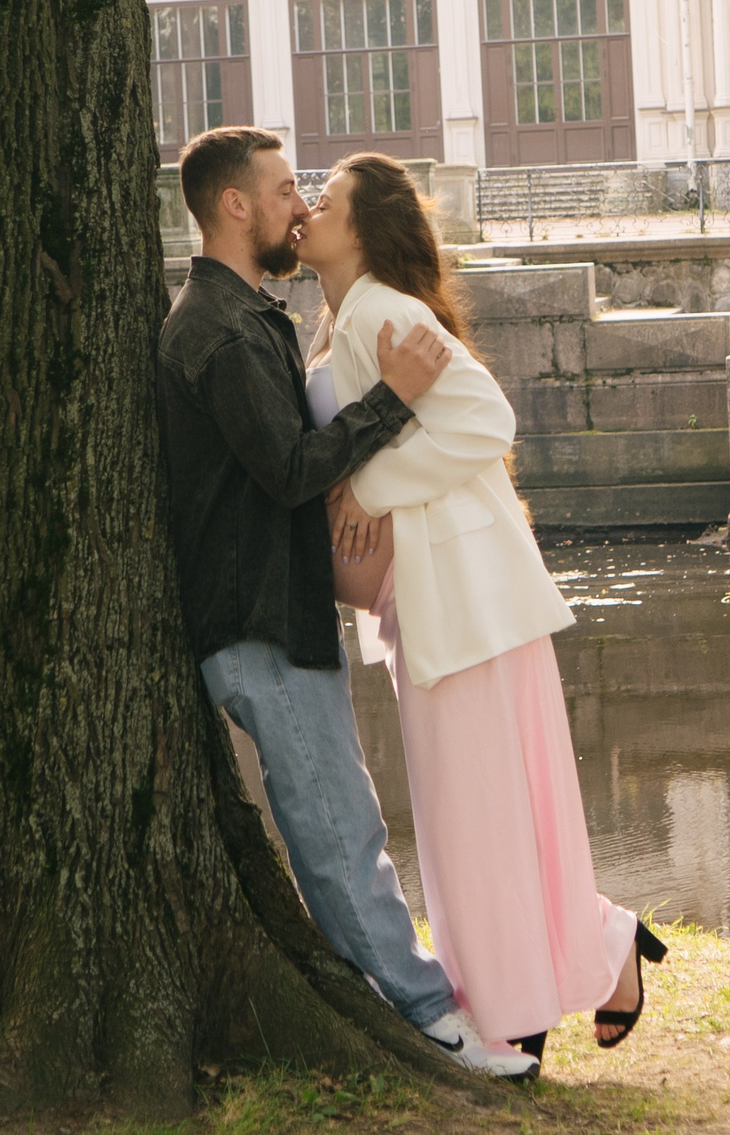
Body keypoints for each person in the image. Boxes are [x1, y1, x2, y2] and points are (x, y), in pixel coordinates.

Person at [156, 126, 538, 1081]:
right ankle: (431, 1022)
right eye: (287, 189)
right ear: (236, 205)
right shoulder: (216, 327)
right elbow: (288, 468)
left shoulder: (250, 318)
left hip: (280, 617)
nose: (300, 204)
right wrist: (392, 404)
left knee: (344, 820)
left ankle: (404, 1004)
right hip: (255, 623)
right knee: (339, 831)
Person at [299, 152, 664, 1068]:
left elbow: (485, 420)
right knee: (490, 816)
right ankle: (576, 962)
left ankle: (523, 999)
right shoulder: (349, 318)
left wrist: (368, 490)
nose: (309, 206)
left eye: (327, 199)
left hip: (464, 601)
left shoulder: (383, 310)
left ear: (366, 228)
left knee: (482, 820)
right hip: (438, 603)